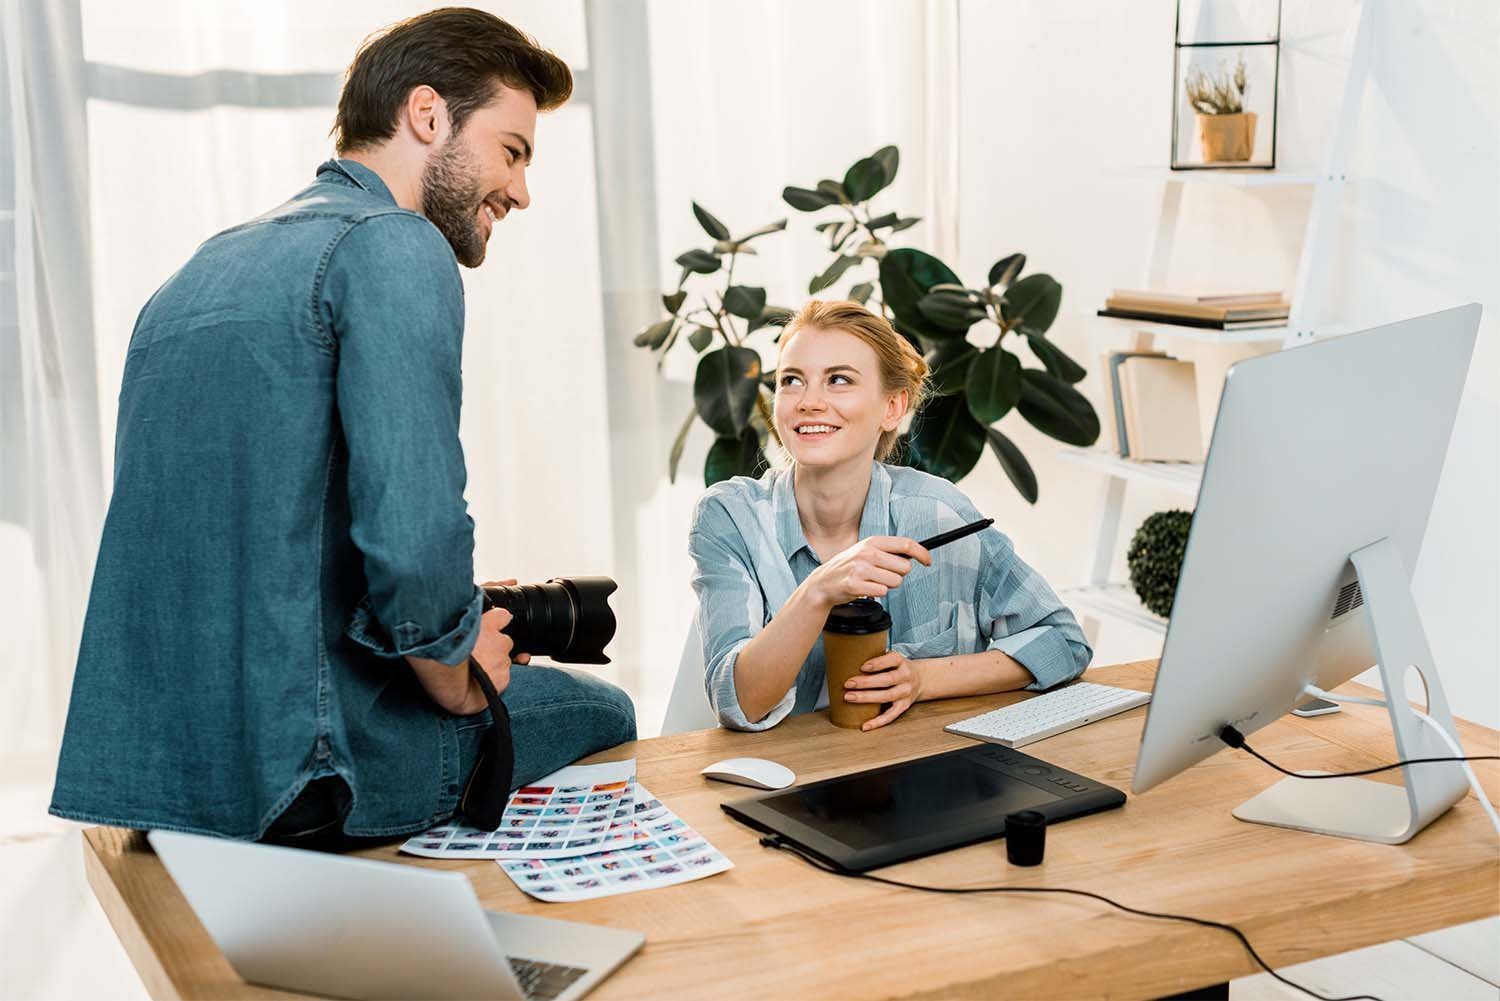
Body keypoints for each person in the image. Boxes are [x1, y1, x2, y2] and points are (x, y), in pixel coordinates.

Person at [49, 9, 635, 846]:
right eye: (512, 151)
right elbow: (412, 530)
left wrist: (448, 619)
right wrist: (456, 667)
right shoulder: (396, 244)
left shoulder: (198, 270)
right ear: (428, 114)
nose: (520, 191)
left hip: (159, 781)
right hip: (308, 773)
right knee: (605, 709)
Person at [689, 300, 1090, 732]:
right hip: (786, 771)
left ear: (892, 408)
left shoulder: (938, 513)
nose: (808, 402)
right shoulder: (730, 517)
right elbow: (737, 703)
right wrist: (818, 592)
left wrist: (923, 678)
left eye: (838, 380)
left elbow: (1063, 642)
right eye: (792, 381)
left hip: (920, 763)